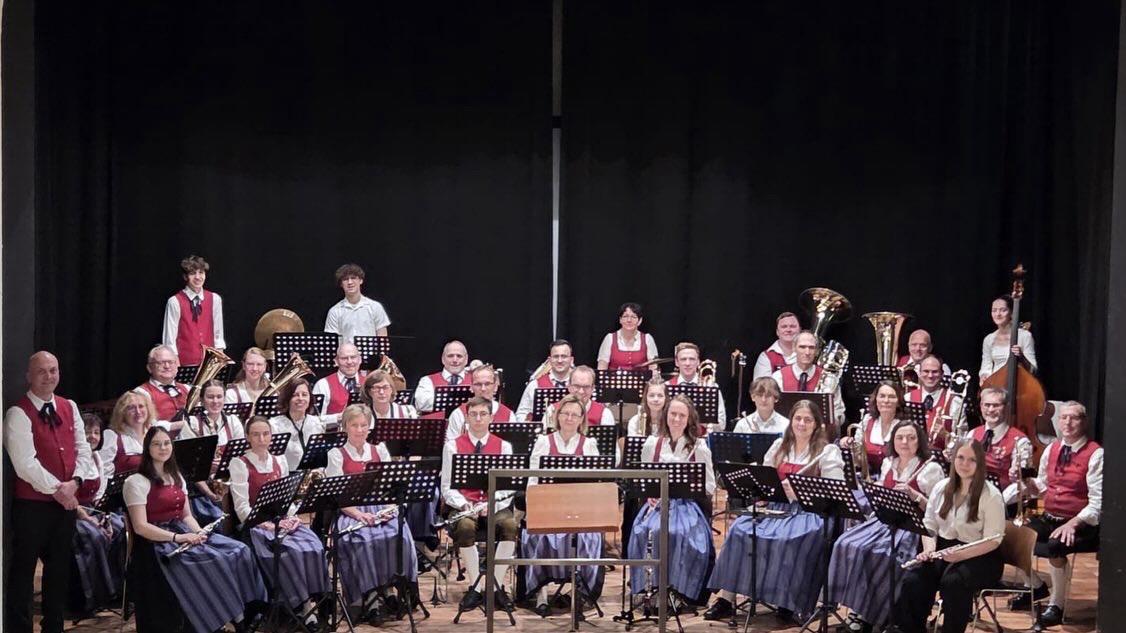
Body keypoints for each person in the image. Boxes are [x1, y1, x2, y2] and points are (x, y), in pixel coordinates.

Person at [705, 400, 844, 622]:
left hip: (806, 513)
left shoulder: (827, 451)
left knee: (789, 539)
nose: (801, 423)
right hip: (775, 508)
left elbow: (834, 491)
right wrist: (767, 491)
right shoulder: (779, 445)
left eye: (808, 420)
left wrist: (800, 491)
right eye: (798, 418)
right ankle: (726, 598)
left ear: (817, 425)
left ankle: (788, 601)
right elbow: (764, 478)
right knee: (740, 530)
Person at [124, 426, 266, 633]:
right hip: (156, 544)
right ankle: (226, 618)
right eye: (156, 444)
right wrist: (179, 537)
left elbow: (186, 516)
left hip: (182, 532)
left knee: (239, 550)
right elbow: (141, 527)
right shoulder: (135, 482)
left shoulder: (177, 477)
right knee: (214, 561)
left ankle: (245, 609)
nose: (163, 448)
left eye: (166, 443)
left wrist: (199, 533)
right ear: (147, 449)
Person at [4, 351, 97, 633]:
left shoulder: (69, 406)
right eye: (42, 371)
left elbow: (83, 449)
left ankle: (53, 626)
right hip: (32, 508)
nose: (49, 376)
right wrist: (60, 490)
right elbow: (25, 464)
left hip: (65, 504)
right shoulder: (18, 413)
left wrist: (76, 482)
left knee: (58, 571)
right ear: (28, 376)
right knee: (23, 571)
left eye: (53, 370)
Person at [829, 420, 945, 632]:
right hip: (885, 522)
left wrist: (915, 495)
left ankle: (878, 615)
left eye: (911, 438)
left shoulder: (930, 468)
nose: (905, 442)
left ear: (919, 441)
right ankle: (860, 608)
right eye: (900, 437)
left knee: (882, 555)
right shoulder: (888, 463)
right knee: (846, 544)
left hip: (913, 528)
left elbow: (937, 511)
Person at [891, 440, 1005, 633]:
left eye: (971, 460)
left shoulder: (991, 495)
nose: (964, 464)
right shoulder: (941, 488)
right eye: (960, 458)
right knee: (914, 580)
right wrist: (928, 549)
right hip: (944, 549)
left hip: (980, 555)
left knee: (954, 583)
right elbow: (929, 526)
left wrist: (959, 555)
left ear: (980, 464)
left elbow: (994, 540)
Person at [1006, 401, 1102, 627]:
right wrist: (1025, 481)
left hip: (1080, 522)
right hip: (1050, 516)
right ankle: (1037, 587)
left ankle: (1056, 605)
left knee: (1054, 546)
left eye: (1074, 418)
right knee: (1011, 538)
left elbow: (1098, 501)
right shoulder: (1052, 448)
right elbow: (1043, 486)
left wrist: (1074, 523)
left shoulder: (1096, 454)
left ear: (1084, 422)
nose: (1068, 422)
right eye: (1064, 417)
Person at [230, 416, 329, 626]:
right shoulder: (239, 463)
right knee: (287, 554)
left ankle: (316, 600)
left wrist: (292, 515)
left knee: (313, 546)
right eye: (256, 434)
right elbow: (242, 508)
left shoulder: (279, 460)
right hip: (258, 526)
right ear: (248, 437)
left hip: (281, 521)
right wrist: (268, 524)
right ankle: (302, 606)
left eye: (265, 434)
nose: (261, 439)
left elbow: (289, 499)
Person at [325, 405, 418, 624]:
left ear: (370, 427)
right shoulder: (336, 454)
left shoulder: (380, 450)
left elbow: (389, 488)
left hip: (380, 508)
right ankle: (370, 598)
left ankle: (392, 590)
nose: (359, 430)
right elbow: (338, 497)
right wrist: (358, 515)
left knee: (400, 536)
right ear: (346, 427)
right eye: (354, 425)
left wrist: (389, 509)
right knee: (363, 540)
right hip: (351, 511)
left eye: (363, 425)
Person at [628, 395, 716, 605]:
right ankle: (650, 587)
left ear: (689, 419)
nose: (676, 419)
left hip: (688, 507)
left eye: (682, 415)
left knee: (677, 533)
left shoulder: (699, 448)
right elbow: (644, 479)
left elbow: (710, 486)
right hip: (658, 505)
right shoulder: (652, 444)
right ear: (666, 416)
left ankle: (680, 590)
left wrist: (689, 488)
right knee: (647, 531)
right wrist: (649, 492)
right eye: (673, 414)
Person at [523, 395, 604, 617]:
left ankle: (579, 593)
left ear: (581, 419)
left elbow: (594, 483)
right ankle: (541, 593)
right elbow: (532, 479)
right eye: (565, 413)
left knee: (591, 537)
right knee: (538, 536)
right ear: (557, 416)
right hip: (549, 506)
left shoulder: (589, 444)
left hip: (578, 509)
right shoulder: (543, 442)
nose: (569, 418)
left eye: (574, 415)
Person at [440, 397, 519, 611]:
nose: (478, 419)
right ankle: (475, 586)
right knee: (465, 526)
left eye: (483, 414)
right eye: (473, 414)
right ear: (466, 418)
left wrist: (490, 506)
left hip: (495, 505)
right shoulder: (452, 446)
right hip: (465, 507)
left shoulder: (504, 446)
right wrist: (465, 505)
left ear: (491, 417)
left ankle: (495, 586)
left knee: (510, 526)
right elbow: (447, 486)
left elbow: (509, 487)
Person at [71, 413, 127, 616]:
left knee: (122, 530)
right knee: (94, 535)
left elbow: (102, 495)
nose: (93, 436)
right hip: (74, 514)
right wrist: (90, 520)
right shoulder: (73, 460)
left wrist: (106, 519)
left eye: (96, 432)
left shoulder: (97, 458)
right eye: (88, 432)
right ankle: (96, 595)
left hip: (94, 510)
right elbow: (72, 501)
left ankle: (119, 588)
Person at [179, 379, 242, 528]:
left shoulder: (233, 421)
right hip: (202, 487)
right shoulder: (191, 423)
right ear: (201, 400)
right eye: (210, 397)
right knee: (218, 517)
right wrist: (210, 493)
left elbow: (242, 456)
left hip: (231, 479)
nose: (215, 401)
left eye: (219, 397)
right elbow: (190, 468)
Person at [162, 254, 226, 366]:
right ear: (185, 277)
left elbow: (218, 334)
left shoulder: (214, 299)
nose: (197, 277)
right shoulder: (175, 301)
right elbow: (169, 338)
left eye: (201, 272)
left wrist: (220, 357)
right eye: (192, 273)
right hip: (184, 362)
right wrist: (174, 360)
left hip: (208, 364)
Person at [771, 331, 845, 423]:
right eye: (802, 347)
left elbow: (838, 413)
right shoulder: (778, 377)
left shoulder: (829, 379)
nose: (807, 352)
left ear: (817, 351)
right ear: (794, 348)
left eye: (811, 348)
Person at [971, 387, 1031, 492]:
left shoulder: (1020, 441)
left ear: (1006, 407)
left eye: (996, 405)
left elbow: (1020, 479)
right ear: (981, 407)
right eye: (987, 405)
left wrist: (1015, 474)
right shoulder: (972, 434)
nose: (990, 410)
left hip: (1002, 498)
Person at [841, 381, 905, 478]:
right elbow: (858, 460)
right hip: (868, 478)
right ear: (876, 400)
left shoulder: (904, 427)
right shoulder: (867, 420)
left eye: (891, 397)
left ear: (898, 402)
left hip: (894, 479)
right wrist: (849, 445)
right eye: (882, 396)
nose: (886, 400)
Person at [904, 355, 965, 453]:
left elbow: (963, 442)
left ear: (942, 374)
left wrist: (946, 435)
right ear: (919, 373)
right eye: (926, 371)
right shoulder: (907, 398)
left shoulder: (955, 402)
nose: (930, 376)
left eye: (935, 371)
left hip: (942, 461)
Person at [324, 263, 391, 344]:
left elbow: (382, 338)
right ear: (341, 284)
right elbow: (332, 342)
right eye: (345, 279)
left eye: (353, 278)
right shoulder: (334, 311)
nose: (350, 282)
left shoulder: (375, 307)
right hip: (345, 356)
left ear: (361, 280)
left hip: (371, 356)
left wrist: (382, 355)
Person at [666, 342, 727, 431]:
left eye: (692, 359)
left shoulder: (711, 386)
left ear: (698, 362)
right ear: (676, 362)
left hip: (701, 441)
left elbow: (722, 424)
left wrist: (703, 421)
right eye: (683, 359)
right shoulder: (667, 386)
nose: (687, 363)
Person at [445, 365, 516, 441]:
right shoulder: (459, 414)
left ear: (495, 386)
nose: (483, 389)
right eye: (478, 384)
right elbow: (450, 449)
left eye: (487, 384)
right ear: (471, 387)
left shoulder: (509, 415)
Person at [268, 378, 326, 471]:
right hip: (288, 477)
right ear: (287, 398)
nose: (300, 398)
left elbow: (320, 457)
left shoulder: (317, 423)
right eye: (295, 395)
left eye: (304, 395)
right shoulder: (274, 425)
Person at [979, 295, 1038, 383]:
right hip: (996, 383)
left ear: (1011, 312)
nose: (998, 314)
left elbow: (1033, 370)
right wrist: (984, 375)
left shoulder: (1025, 336)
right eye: (994, 310)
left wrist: (1021, 357)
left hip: (1020, 382)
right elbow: (986, 367)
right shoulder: (989, 339)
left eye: (1003, 310)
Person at [133, 344, 189, 435]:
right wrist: (178, 425)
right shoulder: (141, 393)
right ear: (149, 368)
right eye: (161, 363)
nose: (167, 366)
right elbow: (147, 425)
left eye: (171, 362)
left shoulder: (187, 389)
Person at [99, 391, 155, 480]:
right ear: (122, 412)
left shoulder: (155, 433)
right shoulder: (112, 436)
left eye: (141, 406)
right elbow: (102, 472)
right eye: (131, 408)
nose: (138, 411)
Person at [515, 339, 575, 421]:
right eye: (556, 356)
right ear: (549, 360)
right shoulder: (534, 385)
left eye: (564, 356)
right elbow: (521, 414)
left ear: (571, 360)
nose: (560, 360)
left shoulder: (580, 385)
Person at [312, 343, 367, 427]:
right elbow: (314, 420)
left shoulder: (368, 383)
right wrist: (337, 418)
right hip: (332, 437)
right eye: (344, 358)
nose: (349, 362)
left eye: (353, 357)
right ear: (336, 361)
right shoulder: (322, 384)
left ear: (360, 359)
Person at [544, 365, 615, 430]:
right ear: (569, 386)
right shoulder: (552, 410)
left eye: (586, 387)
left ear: (593, 388)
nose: (581, 391)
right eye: (577, 386)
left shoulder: (604, 413)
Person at [413, 340, 471, 414]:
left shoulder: (475, 379)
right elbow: (421, 404)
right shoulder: (427, 380)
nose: (455, 360)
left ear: (466, 359)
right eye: (450, 356)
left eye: (459, 356)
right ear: (443, 359)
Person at [597, 302, 658, 370]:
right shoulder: (609, 338)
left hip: (642, 380)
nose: (629, 320)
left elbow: (653, 368)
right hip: (614, 380)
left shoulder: (647, 339)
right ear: (620, 320)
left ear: (640, 321)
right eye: (625, 316)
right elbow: (602, 368)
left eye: (633, 317)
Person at [752, 312, 801, 379]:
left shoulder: (809, 353)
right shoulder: (765, 357)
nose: (788, 330)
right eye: (784, 327)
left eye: (792, 326)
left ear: (800, 330)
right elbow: (761, 387)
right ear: (777, 332)